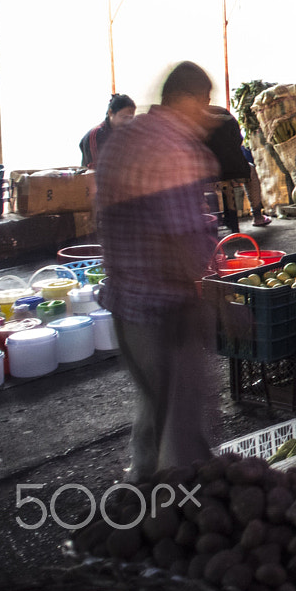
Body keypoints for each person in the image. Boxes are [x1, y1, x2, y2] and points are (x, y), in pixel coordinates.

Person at [93, 61, 221, 480]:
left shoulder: (125, 136)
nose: (206, 114)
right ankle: (176, 516)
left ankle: (139, 503)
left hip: (126, 305)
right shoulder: (172, 146)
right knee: (182, 433)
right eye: (204, 103)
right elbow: (183, 236)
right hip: (167, 312)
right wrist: (210, 300)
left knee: (154, 413)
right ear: (186, 99)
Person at [204, 107, 271, 230]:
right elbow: (238, 140)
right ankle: (257, 216)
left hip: (201, 172)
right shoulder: (223, 114)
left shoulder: (185, 117)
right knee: (250, 170)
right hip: (231, 170)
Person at [80, 94, 136, 167]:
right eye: (124, 117)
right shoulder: (96, 135)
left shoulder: (127, 133)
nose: (128, 122)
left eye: (131, 118)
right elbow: (95, 170)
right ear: (110, 113)